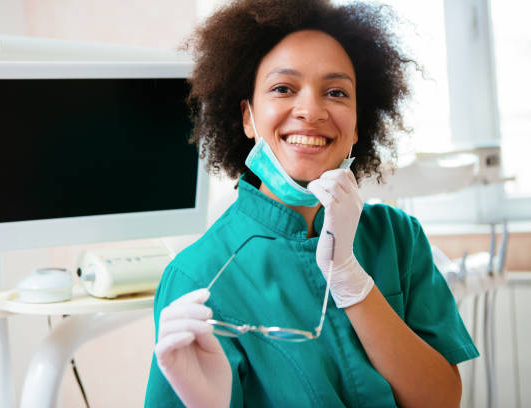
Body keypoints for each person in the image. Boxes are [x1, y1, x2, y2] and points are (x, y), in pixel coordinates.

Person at [144, 0, 479, 406]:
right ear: (248, 117)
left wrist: (352, 282)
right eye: (283, 88)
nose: (311, 110)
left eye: (336, 92)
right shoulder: (196, 277)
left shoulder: (398, 237)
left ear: (358, 125)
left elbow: (441, 400)